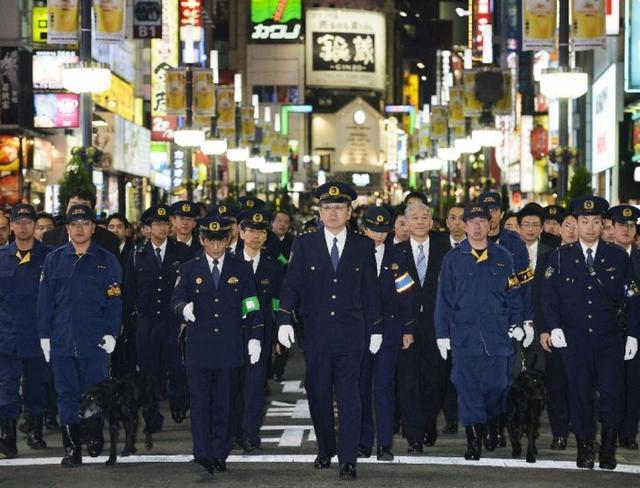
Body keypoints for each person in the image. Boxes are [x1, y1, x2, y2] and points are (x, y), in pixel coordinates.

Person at [277, 182, 382, 479]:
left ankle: (348, 458)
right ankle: (325, 448)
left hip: (352, 334)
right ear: (319, 213)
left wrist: (376, 328)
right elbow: (291, 285)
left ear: (349, 212)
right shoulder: (305, 243)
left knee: (351, 397)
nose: (333, 213)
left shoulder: (362, 245)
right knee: (319, 394)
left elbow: (370, 289)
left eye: (339, 208)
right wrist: (284, 319)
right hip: (317, 334)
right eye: (327, 208)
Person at [542, 196, 640, 470]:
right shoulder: (560, 256)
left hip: (609, 339)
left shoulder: (617, 256)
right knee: (579, 394)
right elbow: (549, 297)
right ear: (575, 223)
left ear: (602, 224)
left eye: (596, 221)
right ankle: (585, 446)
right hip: (575, 340)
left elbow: (633, 297)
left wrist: (633, 334)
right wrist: (553, 326)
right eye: (584, 221)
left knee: (612, 393)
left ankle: (608, 446)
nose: (589, 227)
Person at [171, 215, 264, 476]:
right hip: (199, 348)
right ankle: (202, 453)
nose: (215, 246)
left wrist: (255, 335)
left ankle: (220, 452)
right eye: (209, 241)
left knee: (224, 403)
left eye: (220, 240)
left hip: (229, 347)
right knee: (200, 404)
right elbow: (175, 300)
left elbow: (251, 303)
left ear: (227, 240)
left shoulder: (241, 268)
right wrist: (183, 310)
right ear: (202, 240)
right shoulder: (188, 269)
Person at [435, 202, 524, 462]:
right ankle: (474, 441)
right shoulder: (452, 259)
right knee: (467, 388)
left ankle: (492, 424)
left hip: (497, 337)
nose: (476, 226)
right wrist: (442, 333)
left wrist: (518, 323)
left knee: (497, 386)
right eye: (471, 222)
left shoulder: (504, 257)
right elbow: (444, 299)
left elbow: (514, 294)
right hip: (464, 338)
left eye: (482, 221)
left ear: (489, 224)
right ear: (464, 225)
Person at [37, 204, 122, 467]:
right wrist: (44, 336)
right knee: (66, 394)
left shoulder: (106, 259)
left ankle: (94, 435)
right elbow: (45, 301)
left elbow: (115, 301)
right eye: (74, 224)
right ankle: (72, 447)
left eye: (85, 223)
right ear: (67, 228)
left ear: (93, 228)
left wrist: (111, 332)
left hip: (94, 339)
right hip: (62, 339)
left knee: (94, 393)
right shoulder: (54, 259)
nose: (80, 228)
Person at [124, 205, 191, 426]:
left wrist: (185, 318)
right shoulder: (137, 253)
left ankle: (178, 402)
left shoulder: (181, 251)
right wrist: (128, 320)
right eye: (157, 224)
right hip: (147, 320)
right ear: (147, 228)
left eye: (165, 224)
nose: (162, 228)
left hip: (173, 320)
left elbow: (189, 287)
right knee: (148, 371)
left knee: (176, 367)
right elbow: (130, 289)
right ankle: (152, 415)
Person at [477, 191, 534, 448]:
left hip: (508, 321)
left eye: (494, 211)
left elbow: (525, 285)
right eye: (485, 211)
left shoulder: (514, 243)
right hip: (477, 323)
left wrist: (527, 320)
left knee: (506, 379)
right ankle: (485, 426)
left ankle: (498, 427)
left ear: (501, 213)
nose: (490, 217)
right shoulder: (471, 240)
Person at [358, 206, 414, 461]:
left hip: (390, 332)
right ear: (363, 229)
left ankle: (384, 445)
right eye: (373, 230)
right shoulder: (353, 254)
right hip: (359, 332)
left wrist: (407, 329)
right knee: (359, 389)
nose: (378, 236)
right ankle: (362, 441)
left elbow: (406, 295)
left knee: (383, 387)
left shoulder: (398, 255)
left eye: (382, 231)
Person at [394, 203, 451, 451]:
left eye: (424, 217)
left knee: (436, 382)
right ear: (406, 223)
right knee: (408, 383)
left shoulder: (446, 251)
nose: (419, 221)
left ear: (431, 222)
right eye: (414, 218)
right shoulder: (395, 253)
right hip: (406, 330)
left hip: (437, 329)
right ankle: (415, 436)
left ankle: (428, 423)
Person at [0, 205, 52, 458]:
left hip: (37, 335)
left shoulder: (49, 257)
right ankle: (8, 435)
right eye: (18, 222)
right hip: (6, 335)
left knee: (36, 386)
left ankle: (35, 430)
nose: (22, 226)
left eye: (27, 221)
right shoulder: (1, 256)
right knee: (6, 387)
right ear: (11, 226)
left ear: (34, 225)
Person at [233, 208, 285, 453]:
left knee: (254, 387)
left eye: (261, 231)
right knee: (231, 386)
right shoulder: (229, 262)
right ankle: (232, 433)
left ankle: (250, 435)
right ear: (241, 232)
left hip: (261, 334)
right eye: (250, 230)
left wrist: (276, 335)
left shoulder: (273, 266)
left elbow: (277, 303)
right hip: (230, 334)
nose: (255, 235)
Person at [537, 211, 577, 450]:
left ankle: (580, 427)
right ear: (560, 229)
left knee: (582, 384)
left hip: (585, 333)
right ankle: (559, 433)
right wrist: (544, 329)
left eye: (575, 225)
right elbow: (542, 298)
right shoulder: (548, 257)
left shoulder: (597, 256)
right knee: (557, 385)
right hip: (555, 331)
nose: (571, 231)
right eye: (567, 226)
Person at [608, 204, 640, 450]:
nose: (626, 230)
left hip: (635, 330)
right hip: (607, 331)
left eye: (631, 226)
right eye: (622, 225)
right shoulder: (601, 257)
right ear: (613, 228)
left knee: (634, 384)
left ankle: (628, 433)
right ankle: (610, 428)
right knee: (609, 384)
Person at [42, 189, 120, 256]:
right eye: (73, 206)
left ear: (92, 210)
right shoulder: (50, 237)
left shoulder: (109, 240)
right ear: (66, 210)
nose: (78, 210)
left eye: (84, 206)